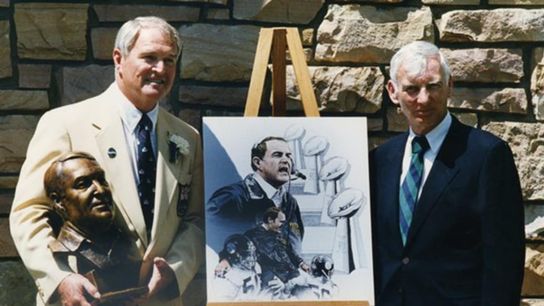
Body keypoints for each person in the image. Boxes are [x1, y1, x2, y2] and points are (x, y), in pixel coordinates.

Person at [10, 16, 204, 306]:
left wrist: (174, 272)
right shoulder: (64, 124)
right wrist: (59, 278)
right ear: (118, 58)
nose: (161, 70)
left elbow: (195, 219)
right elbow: (29, 212)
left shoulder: (187, 137)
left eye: (170, 60)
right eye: (149, 57)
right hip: (86, 299)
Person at [369, 40, 525, 305]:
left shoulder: (487, 156)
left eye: (433, 86)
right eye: (412, 89)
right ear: (393, 91)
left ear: (449, 86)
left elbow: (504, 263)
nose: (424, 99)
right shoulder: (379, 161)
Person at [44, 152, 145, 305]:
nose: (100, 190)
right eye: (83, 184)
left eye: (101, 180)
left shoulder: (125, 242)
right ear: (58, 201)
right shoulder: (62, 253)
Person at [206, 136, 304, 255]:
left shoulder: (289, 201)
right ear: (258, 163)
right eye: (277, 155)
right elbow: (209, 234)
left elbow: (296, 242)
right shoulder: (232, 197)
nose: (286, 160)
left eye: (288, 155)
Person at [244, 207, 310, 298]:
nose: (283, 225)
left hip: (292, 275)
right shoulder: (251, 236)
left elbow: (290, 251)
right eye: (281, 222)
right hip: (273, 280)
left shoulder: (279, 233)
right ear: (270, 220)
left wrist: (301, 263)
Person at [213, 234, 262, 300]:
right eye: (246, 255)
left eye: (250, 254)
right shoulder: (225, 273)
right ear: (236, 255)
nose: (250, 258)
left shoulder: (256, 267)